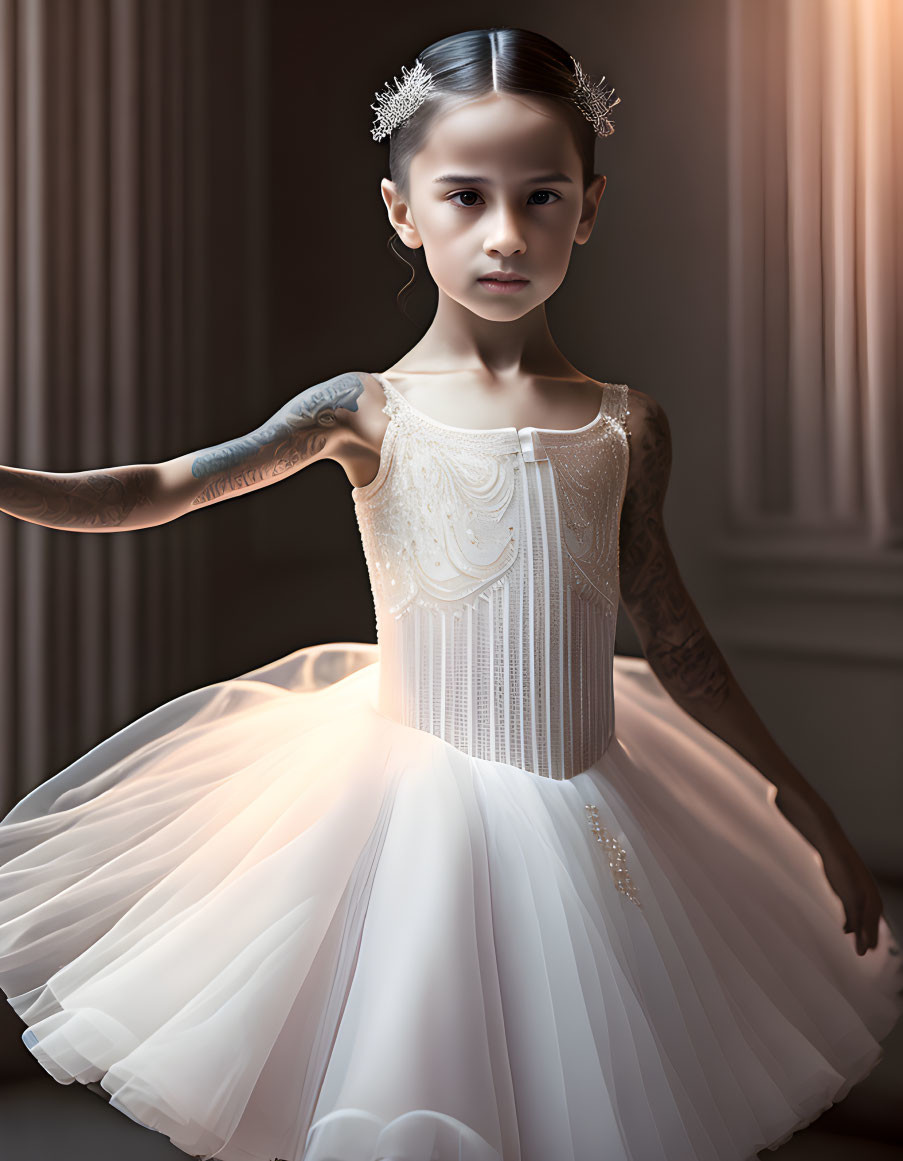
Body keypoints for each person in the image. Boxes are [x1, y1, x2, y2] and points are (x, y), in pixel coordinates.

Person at [0, 24, 900, 1161]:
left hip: (598, 820)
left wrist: (800, 803)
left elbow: (678, 641)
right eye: (465, 197)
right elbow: (151, 490)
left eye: (541, 197)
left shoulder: (627, 424)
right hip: (410, 830)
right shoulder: (362, 409)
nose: (505, 234)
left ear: (591, 204)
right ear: (401, 209)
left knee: (594, 1102)